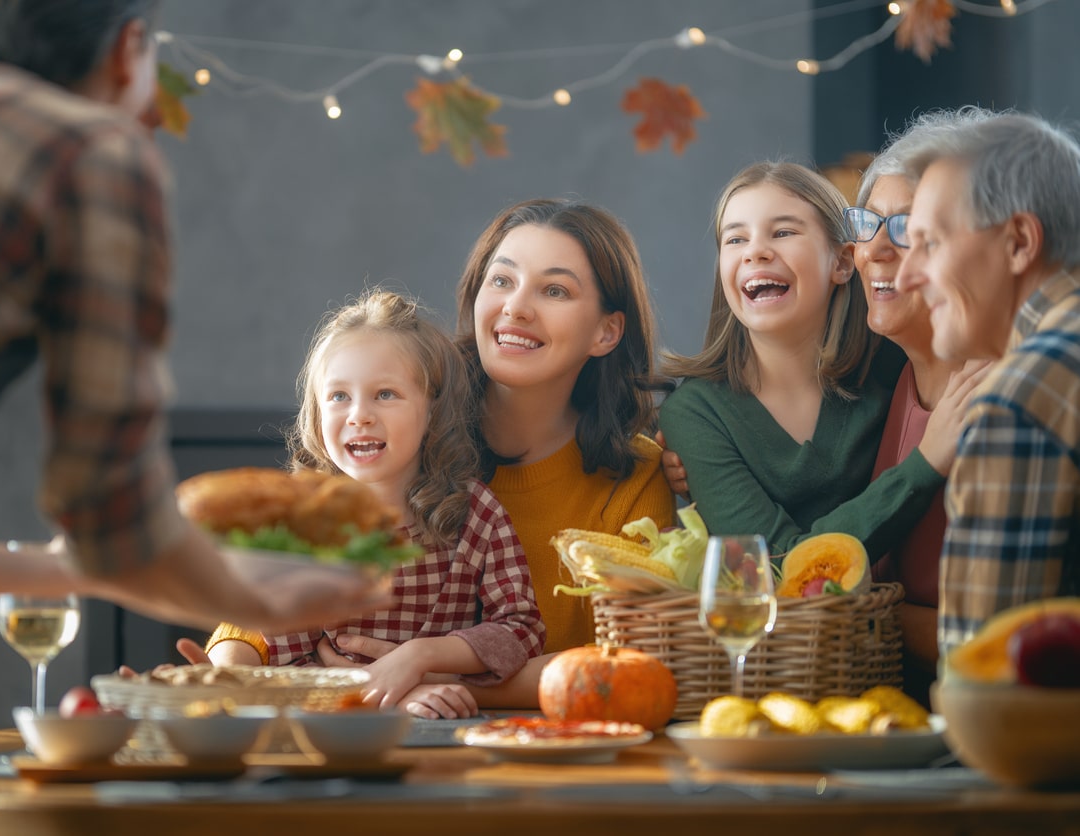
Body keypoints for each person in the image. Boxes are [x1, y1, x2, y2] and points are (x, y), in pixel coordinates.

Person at [0, 3, 388, 835]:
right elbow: (111, 519)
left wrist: (74, 572)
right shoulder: (91, 147)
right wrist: (258, 601)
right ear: (130, 51)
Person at [309, 199, 677, 716]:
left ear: (606, 332)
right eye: (501, 281)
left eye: (554, 290)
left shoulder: (633, 479)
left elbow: (631, 667)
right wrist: (225, 664)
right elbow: (277, 582)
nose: (516, 308)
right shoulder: (401, 428)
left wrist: (422, 671)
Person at [201, 290, 545, 709]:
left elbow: (521, 630)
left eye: (385, 394)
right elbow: (288, 664)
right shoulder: (302, 529)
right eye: (338, 396)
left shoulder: (477, 513)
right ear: (316, 413)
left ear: (432, 411)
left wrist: (422, 658)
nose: (358, 415)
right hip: (336, 731)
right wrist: (390, 696)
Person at [657, 162, 980, 562]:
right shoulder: (693, 414)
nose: (755, 251)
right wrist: (925, 463)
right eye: (735, 239)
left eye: (783, 232)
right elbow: (779, 567)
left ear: (843, 263)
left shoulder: (893, 367)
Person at [895, 111, 1080, 657]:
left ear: (1020, 241)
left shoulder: (1023, 395)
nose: (905, 275)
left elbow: (984, 683)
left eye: (928, 242)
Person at [847, 109, 992, 704]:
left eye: (906, 227)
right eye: (868, 221)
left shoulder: (1006, 395)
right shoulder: (888, 377)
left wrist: (861, 617)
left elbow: (1014, 637)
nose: (877, 249)